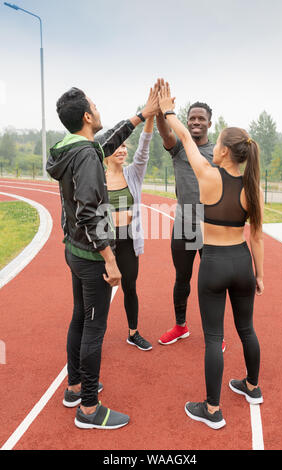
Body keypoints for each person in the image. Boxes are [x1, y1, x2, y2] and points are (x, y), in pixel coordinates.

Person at [46, 86, 158, 430]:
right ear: (87, 117)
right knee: (94, 329)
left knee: (80, 317)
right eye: (95, 106)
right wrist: (110, 259)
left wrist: (142, 114)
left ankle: (75, 388)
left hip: (74, 250)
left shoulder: (74, 149)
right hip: (92, 256)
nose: (98, 109)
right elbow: (90, 213)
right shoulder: (85, 157)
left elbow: (105, 143)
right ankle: (90, 409)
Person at [158, 82, 264, 430]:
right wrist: (259, 275)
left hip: (215, 263)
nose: (212, 145)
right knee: (247, 329)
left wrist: (168, 109)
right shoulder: (252, 187)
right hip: (243, 262)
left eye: (217, 143)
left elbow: (186, 141)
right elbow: (258, 237)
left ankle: (213, 409)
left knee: (215, 337)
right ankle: (252, 386)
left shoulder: (207, 175)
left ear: (223, 153)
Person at [155, 79, 226, 353]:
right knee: (181, 279)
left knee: (212, 284)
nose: (196, 122)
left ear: (209, 122)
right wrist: (162, 113)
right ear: (186, 121)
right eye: (192, 118)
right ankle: (180, 326)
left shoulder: (219, 153)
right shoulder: (179, 148)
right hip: (184, 224)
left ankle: (215, 334)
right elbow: (166, 135)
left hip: (211, 227)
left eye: (201, 118)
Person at [105, 90, 157, 351]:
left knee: (130, 286)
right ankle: (95, 335)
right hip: (104, 244)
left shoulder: (133, 175)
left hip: (127, 241)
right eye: (116, 146)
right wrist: (115, 217)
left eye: (124, 145)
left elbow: (145, 147)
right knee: (101, 291)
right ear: (105, 153)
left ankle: (133, 332)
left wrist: (151, 116)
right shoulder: (97, 180)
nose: (122, 150)